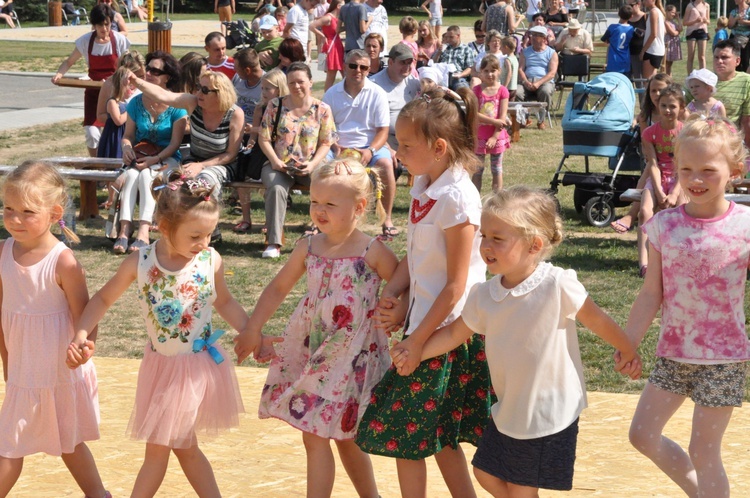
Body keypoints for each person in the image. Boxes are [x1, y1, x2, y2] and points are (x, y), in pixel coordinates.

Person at [390, 186, 640, 497]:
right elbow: (455, 334)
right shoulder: (484, 295)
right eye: (485, 236)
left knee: (522, 490)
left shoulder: (557, 285)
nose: (486, 246)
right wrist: (415, 351)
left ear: (534, 244)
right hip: (509, 411)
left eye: (498, 238)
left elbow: (598, 320)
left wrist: (627, 348)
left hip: (549, 413)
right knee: (485, 472)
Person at [67, 172, 277, 497]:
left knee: (159, 450)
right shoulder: (141, 261)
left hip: (194, 372)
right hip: (158, 368)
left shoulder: (210, 261)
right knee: (185, 448)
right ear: (163, 226)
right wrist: (82, 330)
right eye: (195, 235)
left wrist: (252, 331)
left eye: (209, 234)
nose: (204, 243)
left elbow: (225, 301)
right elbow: (103, 298)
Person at [356, 87, 492, 498]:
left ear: (438, 147)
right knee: (439, 436)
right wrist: (395, 294)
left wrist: (416, 342)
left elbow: (454, 287)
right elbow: (417, 259)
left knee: (404, 434)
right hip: (424, 326)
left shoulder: (456, 199)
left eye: (406, 144)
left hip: (447, 333)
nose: (397, 151)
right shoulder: (425, 183)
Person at [246, 159, 398, 498]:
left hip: (352, 355)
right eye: (315, 201)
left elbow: (402, 280)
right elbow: (277, 289)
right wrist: (253, 327)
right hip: (316, 350)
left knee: (340, 435)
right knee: (319, 434)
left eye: (330, 204)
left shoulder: (371, 250)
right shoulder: (309, 246)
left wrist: (395, 307)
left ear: (359, 207)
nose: (319, 210)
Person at [624, 117, 750, 498]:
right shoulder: (664, 226)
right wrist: (629, 343)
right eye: (686, 169)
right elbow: (651, 294)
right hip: (674, 355)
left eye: (709, 170)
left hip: (724, 360)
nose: (696, 178)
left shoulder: (745, 226)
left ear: (735, 171)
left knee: (704, 450)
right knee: (642, 435)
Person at [0, 162, 109, 498]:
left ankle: (98, 495)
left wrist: (84, 350)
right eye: (8, 209)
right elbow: (4, 314)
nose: (15, 219)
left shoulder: (64, 262)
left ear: (54, 212)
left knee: (64, 443)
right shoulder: (2, 253)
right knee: (17, 445)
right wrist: (7, 362)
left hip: (59, 373)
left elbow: (86, 320)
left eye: (27, 211)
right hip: (23, 373)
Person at [128, 68, 245, 244]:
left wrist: (202, 166)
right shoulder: (193, 103)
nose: (199, 93)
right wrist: (136, 81)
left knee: (204, 179)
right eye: (199, 87)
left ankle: (210, 230)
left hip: (223, 163)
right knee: (170, 179)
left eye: (205, 90)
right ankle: (178, 228)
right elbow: (162, 95)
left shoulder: (235, 114)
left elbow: (231, 154)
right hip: (193, 159)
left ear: (220, 94)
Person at [260, 63, 336, 259]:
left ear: (310, 82)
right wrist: (276, 161)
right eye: (291, 82)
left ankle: (325, 234)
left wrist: (312, 164)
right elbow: (264, 138)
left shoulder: (322, 109)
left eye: (301, 81)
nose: (296, 86)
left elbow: (326, 142)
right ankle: (273, 242)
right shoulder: (275, 106)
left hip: (310, 163)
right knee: (276, 188)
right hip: (279, 164)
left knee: (326, 186)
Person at [116, 51, 188, 254]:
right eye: (148, 68)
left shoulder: (177, 105)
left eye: (156, 71)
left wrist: (153, 159)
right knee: (131, 174)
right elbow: (128, 135)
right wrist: (127, 148)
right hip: (141, 157)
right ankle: (124, 230)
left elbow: (175, 144)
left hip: (168, 159)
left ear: (168, 77)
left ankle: (144, 231)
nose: (149, 73)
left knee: (147, 174)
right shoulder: (136, 102)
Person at [323, 50, 398, 239]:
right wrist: (334, 146)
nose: (358, 70)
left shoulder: (377, 93)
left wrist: (370, 151)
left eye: (363, 67)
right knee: (321, 165)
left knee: (386, 164)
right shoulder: (331, 94)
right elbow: (326, 127)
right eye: (353, 65)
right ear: (344, 66)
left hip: (369, 145)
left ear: (368, 69)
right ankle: (321, 216)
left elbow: (382, 130)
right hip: (337, 146)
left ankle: (387, 218)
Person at [52, 4, 131, 157]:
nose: (104, 28)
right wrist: (59, 74)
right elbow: (69, 62)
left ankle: (118, 162)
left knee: (117, 129)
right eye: (100, 25)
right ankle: (97, 164)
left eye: (107, 24)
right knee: (91, 132)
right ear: (94, 25)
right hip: (93, 92)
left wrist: (115, 82)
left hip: (115, 94)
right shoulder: (86, 41)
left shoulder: (120, 40)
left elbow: (128, 67)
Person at [610, 73, 674, 234]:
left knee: (648, 173)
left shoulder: (675, 112)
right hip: (654, 158)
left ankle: (632, 215)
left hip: (675, 160)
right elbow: (647, 144)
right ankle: (634, 215)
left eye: (661, 90)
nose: (657, 94)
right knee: (650, 169)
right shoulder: (647, 115)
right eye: (653, 91)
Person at [637, 84, 687, 277]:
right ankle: (644, 262)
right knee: (644, 211)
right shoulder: (649, 133)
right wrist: (658, 191)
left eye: (672, 106)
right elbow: (653, 163)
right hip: (658, 176)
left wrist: (674, 193)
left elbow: (684, 165)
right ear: (657, 106)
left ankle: (678, 259)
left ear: (681, 108)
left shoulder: (685, 133)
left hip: (679, 177)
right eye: (663, 105)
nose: (668, 110)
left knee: (682, 211)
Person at [234, 69, 289, 234]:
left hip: (278, 151)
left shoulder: (287, 108)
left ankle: (269, 221)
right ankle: (246, 218)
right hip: (259, 149)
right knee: (241, 174)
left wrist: (256, 129)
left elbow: (280, 131)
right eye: (262, 88)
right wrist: (249, 144)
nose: (263, 92)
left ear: (279, 89)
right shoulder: (260, 107)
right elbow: (253, 137)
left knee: (270, 183)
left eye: (268, 89)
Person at [370, 44, 421, 149]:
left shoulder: (412, 82)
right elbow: (368, 123)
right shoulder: (374, 85)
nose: (407, 67)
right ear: (390, 62)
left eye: (409, 62)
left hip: (410, 137)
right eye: (402, 62)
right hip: (386, 138)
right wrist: (387, 148)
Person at [473, 54, 510, 192]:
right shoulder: (476, 90)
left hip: (497, 135)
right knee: (477, 170)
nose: (490, 74)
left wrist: (495, 136)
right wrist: (493, 121)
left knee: (496, 169)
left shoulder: (503, 91)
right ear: (481, 72)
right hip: (480, 136)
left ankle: (497, 199)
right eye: (486, 71)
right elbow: (475, 114)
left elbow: (503, 117)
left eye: (493, 70)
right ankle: (474, 200)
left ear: (499, 71)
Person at [517, 25, 558, 130]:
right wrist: (525, 82)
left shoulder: (551, 53)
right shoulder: (525, 52)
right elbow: (520, 69)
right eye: (532, 35)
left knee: (545, 91)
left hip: (544, 81)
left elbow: (552, 73)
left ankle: (541, 120)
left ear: (544, 38)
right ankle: (523, 119)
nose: (533, 38)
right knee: (517, 92)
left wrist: (538, 83)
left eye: (537, 35)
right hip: (527, 81)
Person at [712, 39, 750, 146]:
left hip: (732, 142)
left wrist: (746, 152)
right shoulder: (703, 81)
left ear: (737, 61)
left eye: (724, 57)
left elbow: (746, 121)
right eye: (716, 57)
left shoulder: (746, 81)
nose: (719, 61)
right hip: (704, 139)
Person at [311, 0, 345, 91]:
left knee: (345, 73)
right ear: (338, 6)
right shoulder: (328, 17)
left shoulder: (337, 17)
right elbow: (312, 26)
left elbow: (336, 31)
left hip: (337, 44)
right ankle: (326, 98)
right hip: (332, 45)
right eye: (343, 5)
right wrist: (322, 36)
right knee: (331, 76)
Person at [233, 47, 265, 135]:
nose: (234, 71)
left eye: (237, 69)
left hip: (256, 133)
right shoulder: (237, 78)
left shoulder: (268, 84)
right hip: (234, 127)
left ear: (247, 70)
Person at [439, 25, 478, 90]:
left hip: (457, 77)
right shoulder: (444, 48)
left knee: (462, 89)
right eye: (447, 37)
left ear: (458, 36)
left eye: (451, 37)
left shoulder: (466, 49)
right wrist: (438, 52)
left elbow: (470, 68)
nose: (448, 39)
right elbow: (433, 62)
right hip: (442, 76)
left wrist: (461, 74)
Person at [602, 5, 634, 77]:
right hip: (625, 61)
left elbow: (604, 39)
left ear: (618, 14)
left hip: (613, 61)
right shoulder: (631, 29)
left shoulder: (612, 27)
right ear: (631, 16)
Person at [641, 0, 666, 80]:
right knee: (652, 79)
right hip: (658, 49)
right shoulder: (659, 12)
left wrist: (643, 51)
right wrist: (646, 32)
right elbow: (663, 31)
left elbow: (653, 34)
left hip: (651, 50)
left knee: (647, 81)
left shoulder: (653, 12)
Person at [683, 0, 710, 73]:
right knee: (690, 56)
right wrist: (695, 21)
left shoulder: (706, 5)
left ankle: (703, 75)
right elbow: (684, 22)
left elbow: (708, 21)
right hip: (691, 32)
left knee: (702, 56)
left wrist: (705, 20)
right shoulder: (690, 6)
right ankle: (690, 76)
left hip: (702, 31)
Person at [628, 0, 647, 86]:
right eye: (627, 6)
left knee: (639, 80)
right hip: (627, 53)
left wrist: (641, 31)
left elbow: (653, 33)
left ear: (638, 4)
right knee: (627, 80)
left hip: (639, 53)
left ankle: (642, 99)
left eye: (631, 5)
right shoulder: (627, 17)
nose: (628, 8)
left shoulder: (645, 17)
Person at [664, 4, 683, 76]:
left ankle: (669, 77)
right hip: (668, 44)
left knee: (670, 64)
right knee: (667, 64)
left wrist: (678, 19)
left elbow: (681, 28)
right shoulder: (666, 22)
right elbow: (673, 33)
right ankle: (667, 77)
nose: (674, 14)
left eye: (675, 13)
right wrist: (678, 32)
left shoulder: (673, 22)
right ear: (667, 12)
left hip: (673, 44)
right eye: (672, 12)